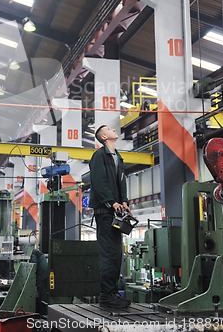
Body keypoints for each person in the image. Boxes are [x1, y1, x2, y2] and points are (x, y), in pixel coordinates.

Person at [89, 125, 132, 309]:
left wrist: (124, 202)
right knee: (109, 254)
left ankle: (112, 293)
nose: (114, 129)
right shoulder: (99, 156)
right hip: (105, 213)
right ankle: (106, 296)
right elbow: (99, 182)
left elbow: (121, 182)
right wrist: (111, 202)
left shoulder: (118, 157)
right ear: (104, 137)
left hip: (115, 212)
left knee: (116, 255)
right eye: (109, 129)